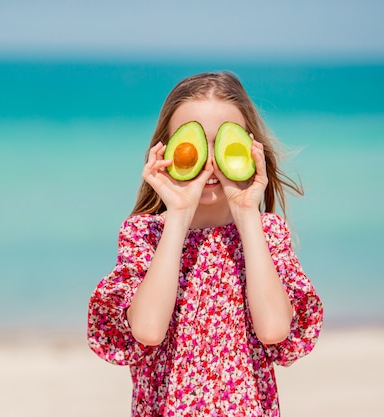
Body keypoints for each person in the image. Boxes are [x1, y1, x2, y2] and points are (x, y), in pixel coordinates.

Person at [87, 71, 324, 417]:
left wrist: (246, 215)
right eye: (194, 144)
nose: (210, 162)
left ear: (250, 148)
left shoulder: (266, 236)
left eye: (224, 144)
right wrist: (179, 214)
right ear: (163, 151)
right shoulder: (146, 237)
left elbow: (274, 330)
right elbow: (148, 330)